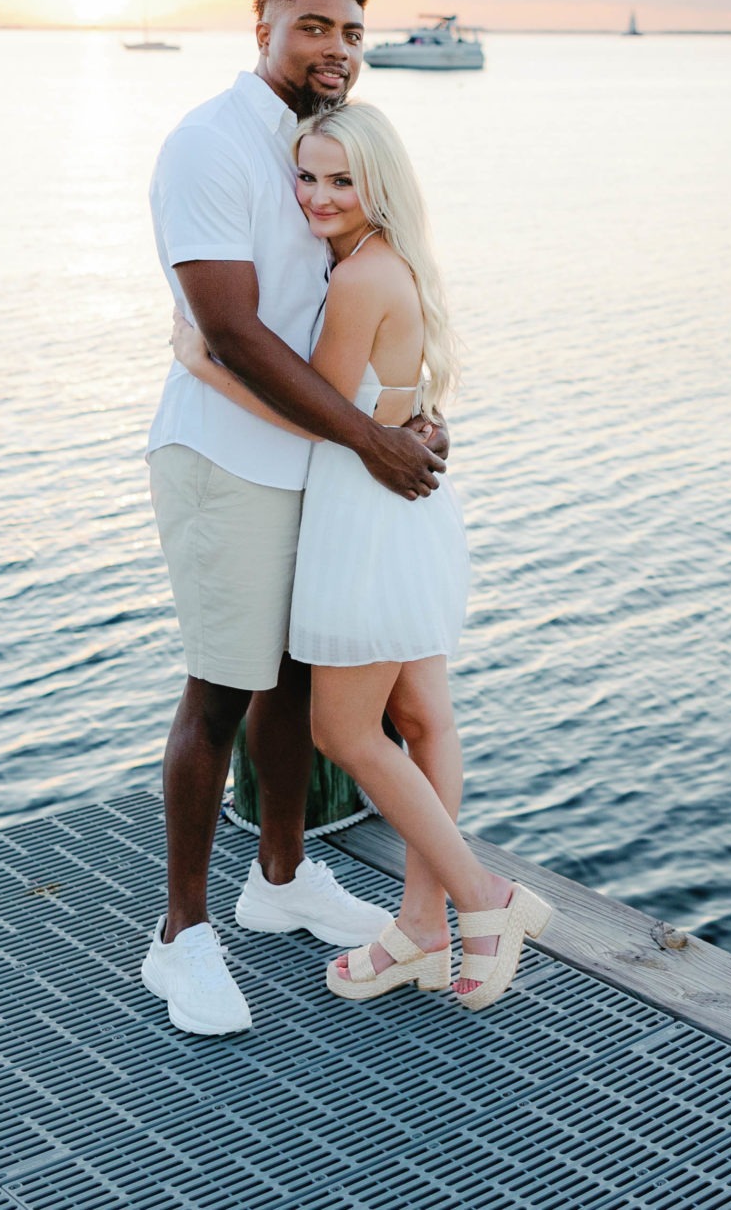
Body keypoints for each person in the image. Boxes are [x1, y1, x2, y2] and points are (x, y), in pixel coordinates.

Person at [172, 103, 555, 1010]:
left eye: (341, 179)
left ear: (379, 182)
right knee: (423, 717)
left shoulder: (358, 281)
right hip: (407, 518)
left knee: (346, 732)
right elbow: (377, 406)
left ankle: (482, 899)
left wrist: (205, 363)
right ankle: (423, 927)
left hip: (365, 522)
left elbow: (320, 413)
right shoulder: (395, 264)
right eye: (305, 176)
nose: (317, 197)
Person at [138, 0, 448, 1035]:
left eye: (352, 31)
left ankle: (278, 880)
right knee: (218, 690)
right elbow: (226, 328)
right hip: (226, 460)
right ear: (261, 26)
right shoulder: (211, 144)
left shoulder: (319, 147)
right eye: (311, 25)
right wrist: (369, 437)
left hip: (313, 462)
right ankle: (179, 939)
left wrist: (403, 411)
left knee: (288, 686)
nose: (335, 48)